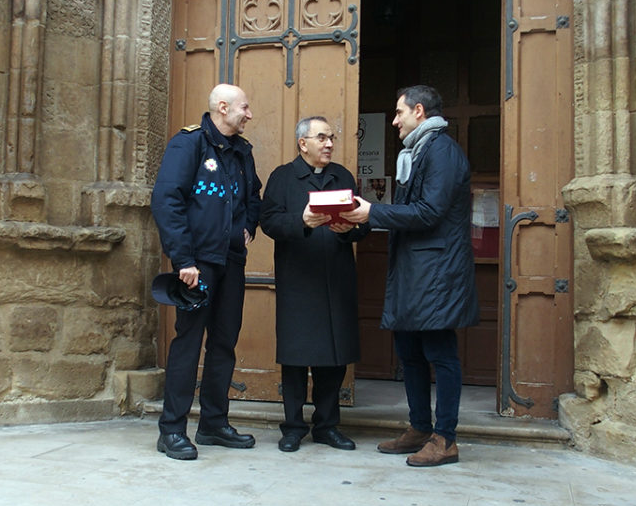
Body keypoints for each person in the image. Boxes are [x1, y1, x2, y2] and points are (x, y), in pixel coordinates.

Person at [341, 85, 478, 467]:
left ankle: (445, 438)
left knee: (440, 353)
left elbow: (429, 212)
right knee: (409, 353)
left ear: (419, 111)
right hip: (415, 271)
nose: (394, 120)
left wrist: (373, 213)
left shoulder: (442, 151)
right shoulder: (417, 150)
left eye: (399, 113)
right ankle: (420, 427)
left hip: (437, 274)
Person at [150, 83, 263, 461]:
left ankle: (213, 423)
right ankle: (172, 431)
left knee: (224, 343)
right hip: (197, 265)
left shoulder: (242, 151)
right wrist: (183, 260)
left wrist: (249, 225)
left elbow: (253, 196)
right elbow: (167, 200)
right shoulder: (189, 144)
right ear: (223, 106)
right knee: (188, 342)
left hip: (231, 261)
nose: (249, 115)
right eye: (244, 108)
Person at [260, 117, 369, 453]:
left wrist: (349, 230)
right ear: (302, 143)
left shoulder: (343, 176)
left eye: (331, 137)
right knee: (295, 356)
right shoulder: (282, 177)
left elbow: (363, 223)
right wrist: (301, 222)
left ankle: (327, 426)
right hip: (298, 279)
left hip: (336, 277)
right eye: (321, 137)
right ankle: (293, 427)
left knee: (333, 356)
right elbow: (268, 221)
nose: (329, 144)